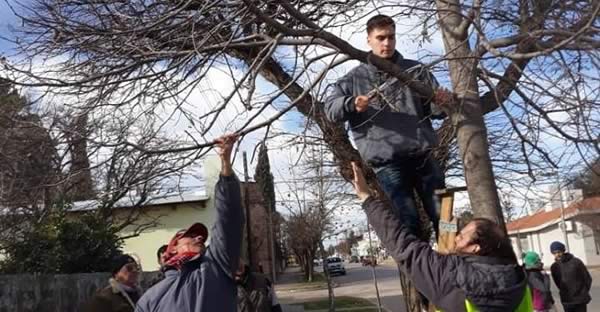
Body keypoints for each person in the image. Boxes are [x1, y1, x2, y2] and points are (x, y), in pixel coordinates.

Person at [324, 14, 454, 238]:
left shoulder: (416, 71)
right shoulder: (353, 80)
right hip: (388, 164)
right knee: (409, 224)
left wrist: (442, 102)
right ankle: (422, 272)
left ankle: (456, 266)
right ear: (369, 40)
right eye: (380, 38)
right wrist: (352, 103)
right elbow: (330, 110)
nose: (387, 43)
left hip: (423, 156)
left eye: (391, 37)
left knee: (446, 217)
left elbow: (437, 111)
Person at [350, 162, 532, 311]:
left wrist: (367, 198)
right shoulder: (519, 281)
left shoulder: (450, 274)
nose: (457, 237)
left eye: (463, 236)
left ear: (476, 247)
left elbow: (404, 245)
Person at [135, 134, 243, 312]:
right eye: (190, 236)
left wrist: (226, 164)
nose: (200, 237)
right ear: (173, 248)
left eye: (200, 236)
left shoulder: (215, 266)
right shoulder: (150, 299)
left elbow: (229, 219)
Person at [549, 241, 592, 312]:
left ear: (563, 251)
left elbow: (587, 278)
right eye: (554, 253)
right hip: (567, 300)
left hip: (580, 300)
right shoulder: (554, 267)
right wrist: (565, 292)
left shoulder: (576, 262)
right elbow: (558, 283)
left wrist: (582, 291)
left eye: (559, 252)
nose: (557, 254)